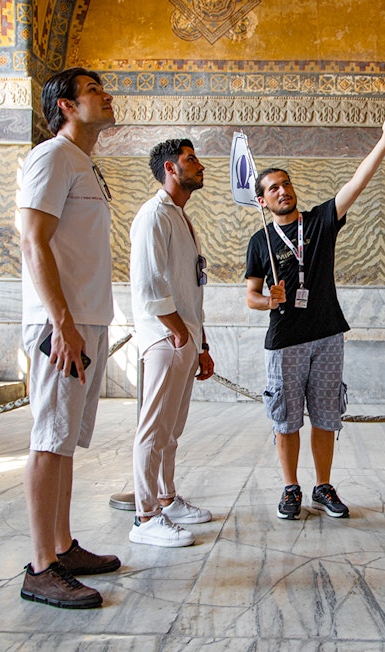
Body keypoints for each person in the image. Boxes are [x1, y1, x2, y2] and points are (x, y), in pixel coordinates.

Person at [245, 102, 385, 521]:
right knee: (285, 419)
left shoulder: (320, 221)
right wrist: (270, 300)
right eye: (274, 188)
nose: (283, 191)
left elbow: (358, 182)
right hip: (285, 341)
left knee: (325, 416)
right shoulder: (259, 240)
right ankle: (291, 489)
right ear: (262, 200)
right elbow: (250, 295)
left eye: (287, 184)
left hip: (327, 335)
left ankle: (323, 486)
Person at [18, 68, 120, 609]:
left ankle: (61, 545)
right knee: (48, 439)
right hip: (63, 325)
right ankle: (41, 568)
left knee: (65, 442)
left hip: (85, 321)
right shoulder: (51, 156)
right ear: (65, 106)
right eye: (93, 90)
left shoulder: (84, 164)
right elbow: (33, 241)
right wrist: (61, 322)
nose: (106, 96)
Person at [127, 139, 215, 547]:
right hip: (165, 336)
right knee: (153, 428)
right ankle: (145, 517)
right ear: (170, 168)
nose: (199, 166)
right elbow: (149, 285)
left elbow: (190, 288)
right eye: (190, 159)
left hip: (184, 335)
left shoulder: (181, 217)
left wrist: (201, 343)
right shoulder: (153, 215)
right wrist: (178, 331)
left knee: (172, 429)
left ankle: (166, 497)